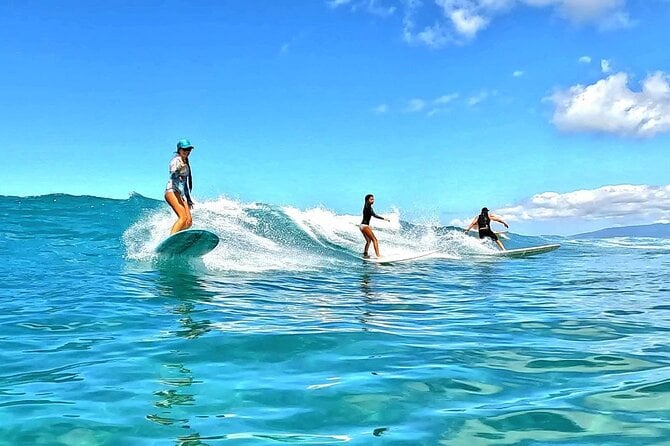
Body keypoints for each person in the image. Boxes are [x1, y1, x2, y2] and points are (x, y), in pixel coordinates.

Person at [165, 139, 195, 234]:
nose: (187, 151)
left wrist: (188, 200)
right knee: (183, 217)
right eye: (184, 149)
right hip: (171, 191)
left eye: (189, 149)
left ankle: (177, 237)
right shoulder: (176, 160)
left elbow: (185, 185)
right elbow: (173, 173)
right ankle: (171, 239)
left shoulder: (185, 163)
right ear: (179, 150)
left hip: (180, 195)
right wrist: (178, 170)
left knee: (188, 222)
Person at [360, 194, 389, 258]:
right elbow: (375, 215)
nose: (373, 201)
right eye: (371, 199)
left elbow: (374, 214)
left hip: (362, 226)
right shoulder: (367, 206)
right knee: (375, 240)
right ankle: (378, 255)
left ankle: (365, 253)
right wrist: (384, 219)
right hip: (364, 226)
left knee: (368, 241)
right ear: (367, 200)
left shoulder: (368, 207)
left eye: (373, 199)